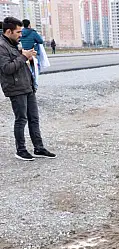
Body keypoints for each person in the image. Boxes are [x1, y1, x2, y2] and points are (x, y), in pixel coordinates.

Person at [0, 17, 55, 161]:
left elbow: (19, 63)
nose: (21, 35)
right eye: (18, 32)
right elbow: (7, 68)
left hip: (27, 86)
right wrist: (24, 56)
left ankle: (39, 148)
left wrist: (29, 58)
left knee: (34, 118)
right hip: (15, 88)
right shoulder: (1, 46)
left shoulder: (13, 44)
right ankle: (21, 150)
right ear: (8, 31)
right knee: (21, 119)